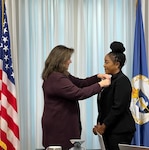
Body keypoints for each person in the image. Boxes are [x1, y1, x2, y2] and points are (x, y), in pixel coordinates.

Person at [41, 45, 111, 150]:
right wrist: (100, 85)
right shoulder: (56, 78)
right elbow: (78, 93)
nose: (70, 61)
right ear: (60, 60)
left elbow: (80, 83)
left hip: (62, 123)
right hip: (59, 126)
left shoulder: (60, 75)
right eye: (68, 59)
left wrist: (97, 77)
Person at [93, 41, 136, 150]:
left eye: (106, 62)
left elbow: (118, 107)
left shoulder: (122, 81)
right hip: (109, 129)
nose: (104, 65)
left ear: (117, 64)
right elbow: (104, 107)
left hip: (120, 131)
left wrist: (104, 126)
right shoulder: (109, 80)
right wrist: (99, 125)